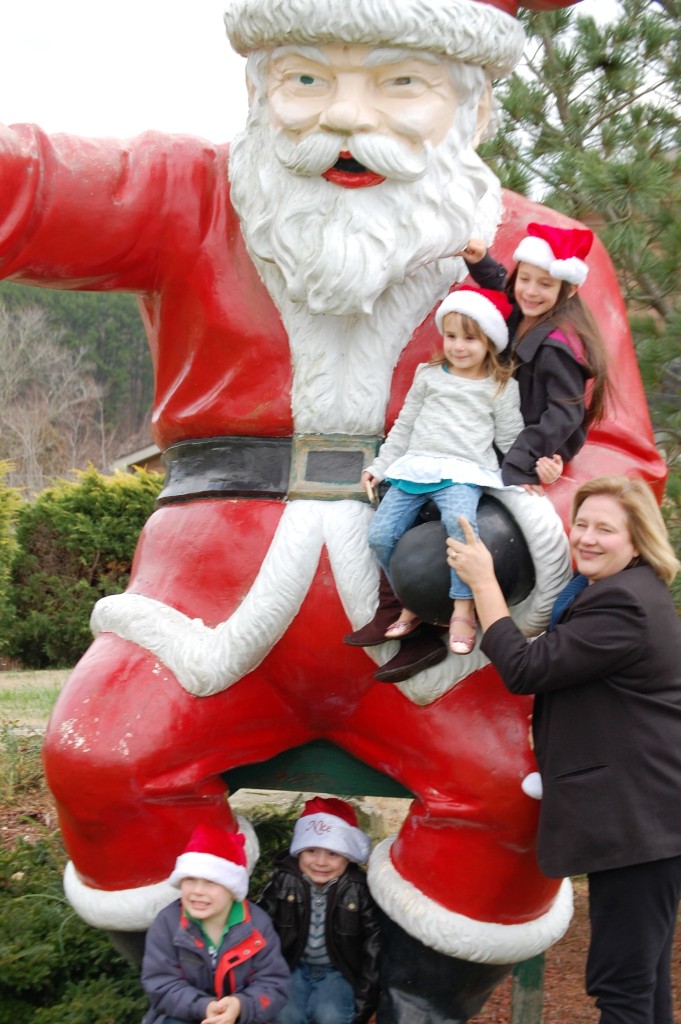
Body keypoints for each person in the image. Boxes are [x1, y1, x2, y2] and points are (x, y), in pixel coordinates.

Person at [4, 0, 661, 1020]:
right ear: (260, 87)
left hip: (438, 606)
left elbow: (614, 445)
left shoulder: (544, 254)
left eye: (400, 82)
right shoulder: (187, 196)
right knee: (102, 752)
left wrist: (525, 528)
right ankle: (210, 976)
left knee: (513, 786)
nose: (346, 116)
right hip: (211, 577)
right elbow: (31, 185)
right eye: (306, 77)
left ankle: (412, 997)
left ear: (472, 103)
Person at [447, 474, 681, 1024]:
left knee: (621, 984)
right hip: (649, 820)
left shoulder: (623, 604)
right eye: (581, 524)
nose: (588, 538)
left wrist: (483, 585)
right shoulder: (620, 592)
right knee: (643, 984)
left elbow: (528, 669)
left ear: (638, 539)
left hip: (639, 824)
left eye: (606, 529)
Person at [362, 285, 524, 656]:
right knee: (381, 535)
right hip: (415, 468)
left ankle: (463, 607)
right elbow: (404, 426)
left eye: (470, 338)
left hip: (464, 472)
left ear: (489, 343)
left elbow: (513, 438)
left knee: (461, 529)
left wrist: (527, 473)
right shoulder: (428, 375)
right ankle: (413, 599)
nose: (458, 346)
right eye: (451, 336)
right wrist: (380, 467)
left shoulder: (499, 387)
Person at [460, 222, 610, 489]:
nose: (530, 291)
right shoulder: (526, 310)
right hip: (507, 423)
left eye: (545, 284)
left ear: (570, 289)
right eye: (525, 278)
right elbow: (504, 292)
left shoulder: (558, 348)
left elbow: (564, 415)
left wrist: (522, 460)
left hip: (538, 441)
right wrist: (482, 262)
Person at [141, 824, 290, 1024]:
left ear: (232, 888)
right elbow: (161, 984)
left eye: (211, 882)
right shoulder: (167, 923)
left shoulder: (257, 924)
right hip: (184, 1014)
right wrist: (204, 1007)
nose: (198, 891)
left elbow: (273, 984)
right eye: (190, 880)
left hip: (244, 1017)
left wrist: (240, 1006)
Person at [257, 797, 380, 1024]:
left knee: (331, 1015)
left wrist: (365, 1001)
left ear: (348, 856)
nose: (321, 862)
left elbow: (374, 946)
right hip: (291, 964)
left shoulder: (358, 888)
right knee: (286, 1014)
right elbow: (260, 924)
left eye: (333, 853)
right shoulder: (283, 880)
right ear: (299, 852)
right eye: (312, 850)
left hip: (338, 970)